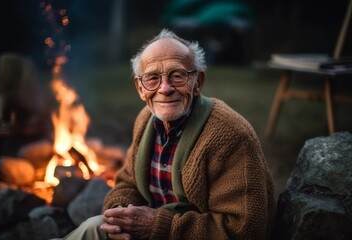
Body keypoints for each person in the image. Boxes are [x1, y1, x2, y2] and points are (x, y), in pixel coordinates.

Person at [54, 28, 276, 240]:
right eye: (152, 78)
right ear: (140, 88)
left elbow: (245, 231)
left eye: (177, 75)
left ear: (197, 82)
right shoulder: (146, 120)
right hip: (151, 233)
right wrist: (119, 213)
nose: (165, 88)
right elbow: (127, 181)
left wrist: (157, 226)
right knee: (94, 226)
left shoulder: (230, 135)